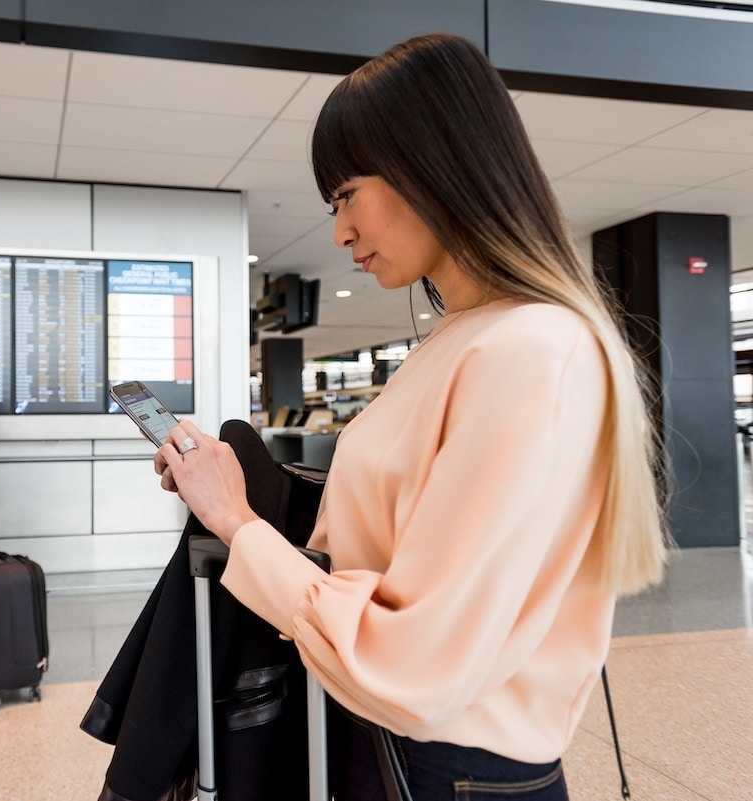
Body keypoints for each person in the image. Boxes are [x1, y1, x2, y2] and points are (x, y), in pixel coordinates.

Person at [152, 33, 667, 800]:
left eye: (347, 194)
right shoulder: (467, 339)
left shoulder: (528, 349)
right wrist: (244, 496)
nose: (339, 231)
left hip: (444, 767)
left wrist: (240, 527)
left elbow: (412, 662)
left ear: (433, 163)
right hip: (399, 750)